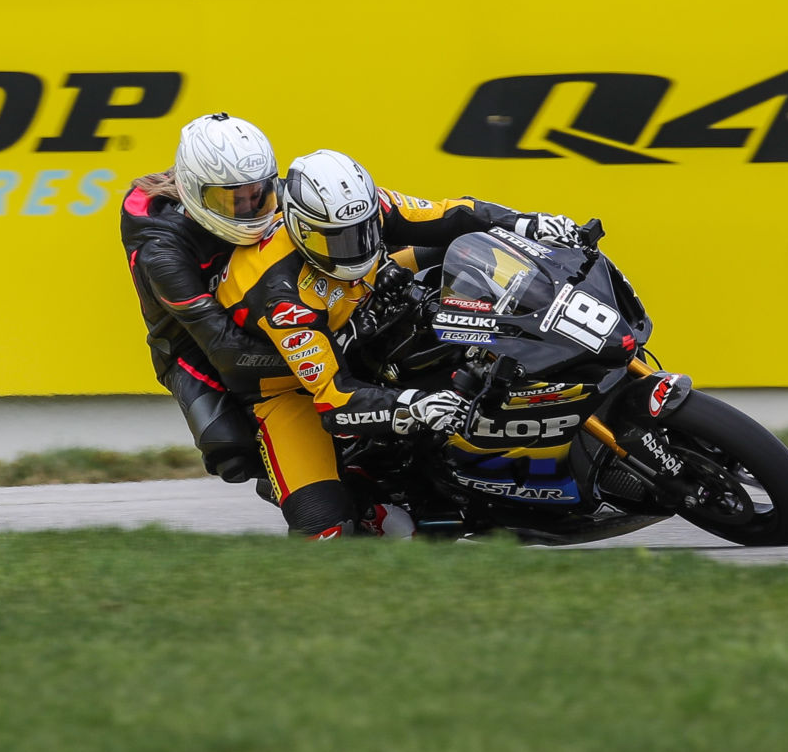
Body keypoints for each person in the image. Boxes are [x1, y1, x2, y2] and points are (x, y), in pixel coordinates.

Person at [215, 148, 589, 538]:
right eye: (340, 240)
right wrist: (414, 406)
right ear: (302, 230)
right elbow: (333, 398)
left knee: (462, 247)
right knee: (326, 532)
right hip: (289, 388)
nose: (356, 245)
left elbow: (450, 214)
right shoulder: (281, 295)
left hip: (358, 305)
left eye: (363, 230)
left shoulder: (363, 206)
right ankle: (366, 495)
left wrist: (526, 224)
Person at [119, 113, 295, 483]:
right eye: (233, 202)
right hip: (194, 345)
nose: (250, 210)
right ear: (194, 192)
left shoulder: (268, 193)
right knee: (230, 453)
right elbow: (224, 349)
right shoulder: (161, 250)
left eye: (258, 196)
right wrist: (321, 357)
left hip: (264, 312)